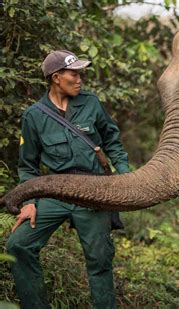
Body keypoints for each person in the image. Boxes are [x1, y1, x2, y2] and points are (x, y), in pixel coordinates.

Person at [6, 50, 130, 308]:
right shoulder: (34, 116)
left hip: (94, 191)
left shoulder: (91, 103)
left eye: (80, 73)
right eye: (73, 73)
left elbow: (112, 141)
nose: (79, 79)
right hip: (55, 193)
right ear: (56, 77)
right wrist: (29, 203)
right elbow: (27, 165)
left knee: (99, 261)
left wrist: (125, 175)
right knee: (18, 246)